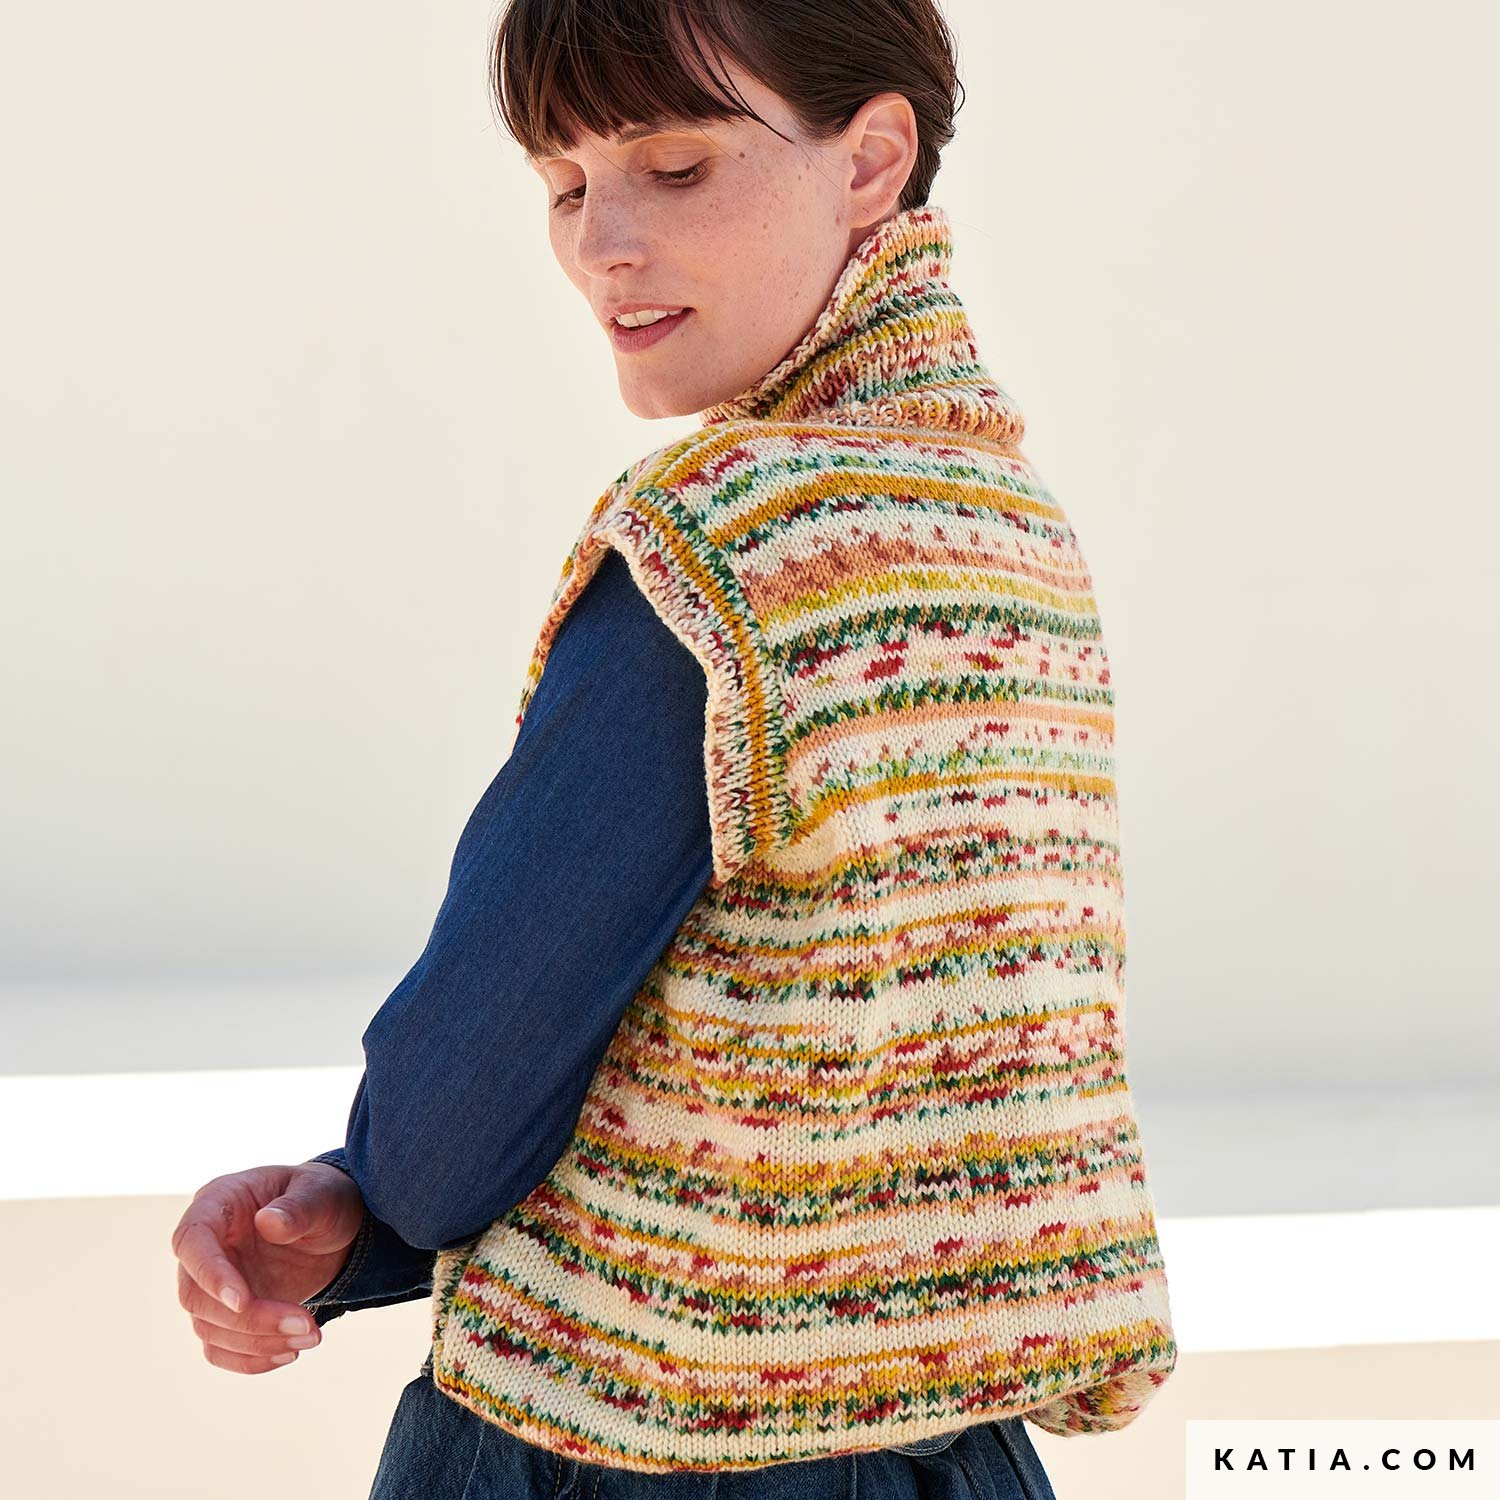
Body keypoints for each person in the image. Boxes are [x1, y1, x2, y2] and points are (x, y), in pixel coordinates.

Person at [172, 2, 1177, 1494]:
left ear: (871, 160)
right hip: (958, 1449)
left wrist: (368, 1193)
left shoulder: (723, 552)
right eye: (564, 185)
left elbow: (462, 1098)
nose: (601, 245)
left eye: (678, 166)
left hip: (622, 1443)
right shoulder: (1014, 537)